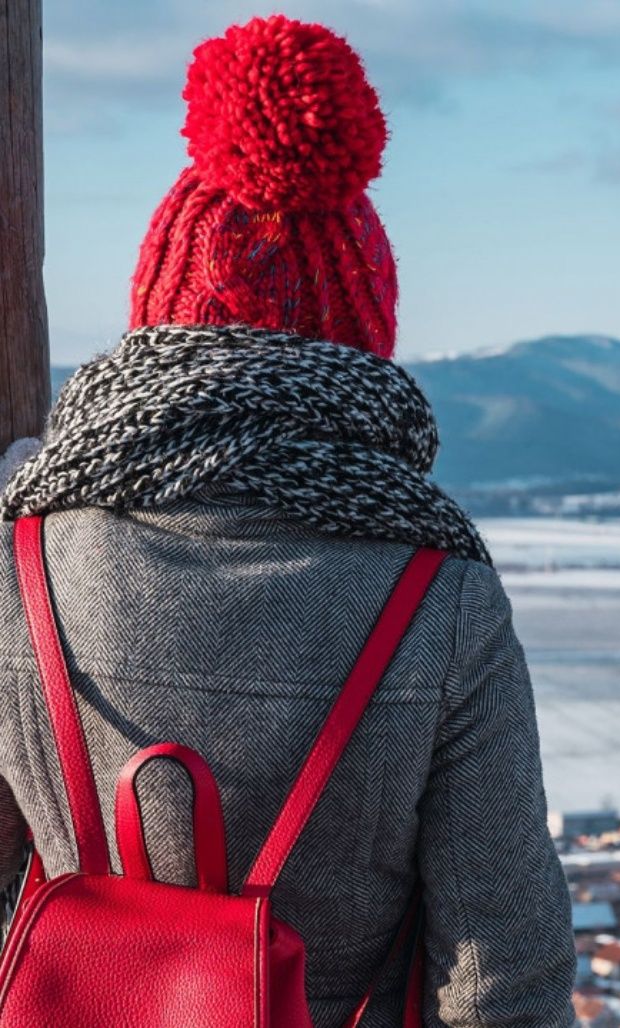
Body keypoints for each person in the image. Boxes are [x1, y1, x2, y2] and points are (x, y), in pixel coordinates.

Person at [0, 15, 575, 1027]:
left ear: (156, 312)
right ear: (364, 333)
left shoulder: (23, 541)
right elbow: (504, 969)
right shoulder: (439, 593)